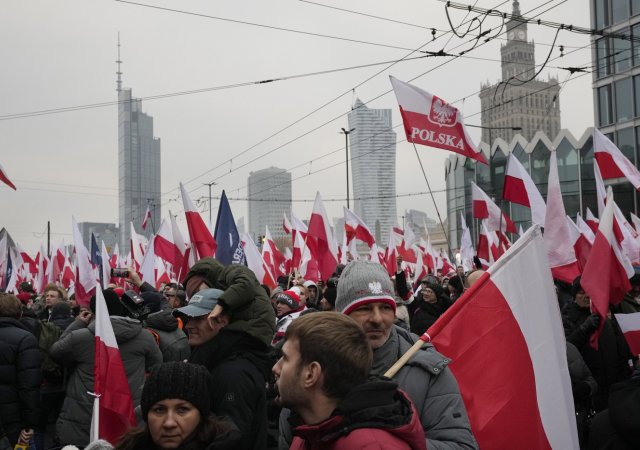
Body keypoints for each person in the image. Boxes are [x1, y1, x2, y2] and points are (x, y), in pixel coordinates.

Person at [279, 261, 477, 450]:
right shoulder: (311, 365)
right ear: (342, 316)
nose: (377, 319)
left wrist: (379, 441)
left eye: (385, 308)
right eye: (364, 309)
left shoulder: (428, 370)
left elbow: (460, 445)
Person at [274, 312, 426, 450]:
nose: (276, 368)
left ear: (311, 374)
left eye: (286, 358)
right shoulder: (310, 431)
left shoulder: (372, 446)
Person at [178, 258, 276, 450]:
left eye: (198, 318)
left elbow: (232, 440)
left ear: (222, 321)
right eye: (188, 317)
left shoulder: (233, 375)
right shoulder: (216, 362)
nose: (189, 325)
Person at [50, 289, 163, 447]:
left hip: (85, 420)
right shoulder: (144, 336)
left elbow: (56, 352)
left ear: (94, 311)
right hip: (127, 417)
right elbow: (157, 368)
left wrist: (78, 323)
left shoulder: (81, 337)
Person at [115, 362, 240, 450]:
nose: (169, 423)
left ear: (201, 415)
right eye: (159, 410)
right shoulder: (131, 445)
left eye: (182, 410)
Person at [562, 276, 632, 412]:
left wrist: (624, 377)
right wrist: (584, 329)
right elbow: (568, 350)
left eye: (589, 291)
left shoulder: (604, 315)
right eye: (581, 292)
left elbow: (622, 349)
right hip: (591, 391)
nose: (587, 296)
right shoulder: (567, 319)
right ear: (574, 296)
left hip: (615, 386)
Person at [0, 293, 40, 447]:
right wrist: (29, 424)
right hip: (13, 421)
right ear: (20, 313)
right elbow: (29, 385)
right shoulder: (25, 338)